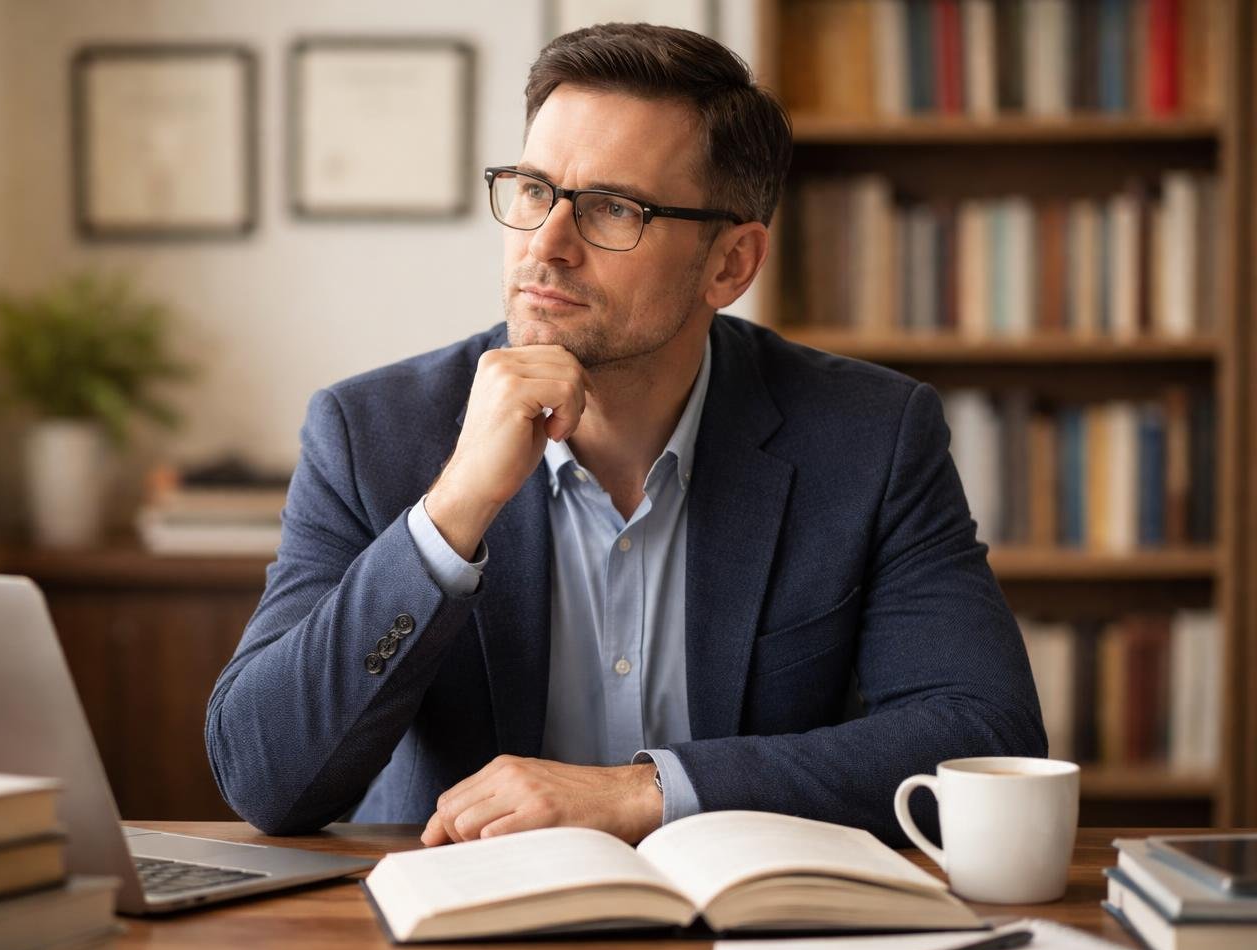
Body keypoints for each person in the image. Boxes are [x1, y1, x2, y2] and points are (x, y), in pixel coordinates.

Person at [205, 23, 1046, 848]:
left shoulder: (870, 437)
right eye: (534, 190)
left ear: (731, 265)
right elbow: (265, 779)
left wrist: (648, 792)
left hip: (754, 939)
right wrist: (452, 512)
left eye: (614, 208)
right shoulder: (372, 433)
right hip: (459, 933)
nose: (547, 244)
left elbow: (985, 741)